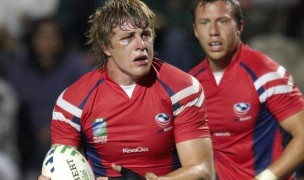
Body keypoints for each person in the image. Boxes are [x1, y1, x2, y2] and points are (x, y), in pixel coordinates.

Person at [38, 0, 214, 179]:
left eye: (145, 35)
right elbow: (61, 165)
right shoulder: (72, 101)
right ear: (106, 46)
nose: (141, 45)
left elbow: (202, 170)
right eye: (127, 38)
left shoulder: (182, 89)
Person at [188, 0, 304, 179]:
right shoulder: (191, 84)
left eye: (222, 21)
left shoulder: (267, 74)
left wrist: (267, 177)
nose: (213, 32)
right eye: (204, 23)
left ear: (239, 27)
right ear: (195, 31)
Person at [8, 16, 89, 179]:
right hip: (27, 138)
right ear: (33, 39)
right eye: (42, 36)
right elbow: (10, 104)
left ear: (61, 39)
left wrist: (54, 130)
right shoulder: (21, 66)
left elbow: (87, 104)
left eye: (52, 36)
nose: (47, 42)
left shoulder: (75, 65)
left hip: (68, 135)